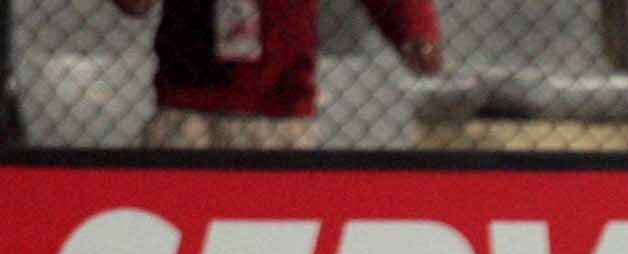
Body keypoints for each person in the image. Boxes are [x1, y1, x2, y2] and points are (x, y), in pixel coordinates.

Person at [111, 0, 444, 151]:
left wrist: (414, 30)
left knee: (275, 230)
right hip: (190, 105)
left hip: (279, 108)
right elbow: (134, 5)